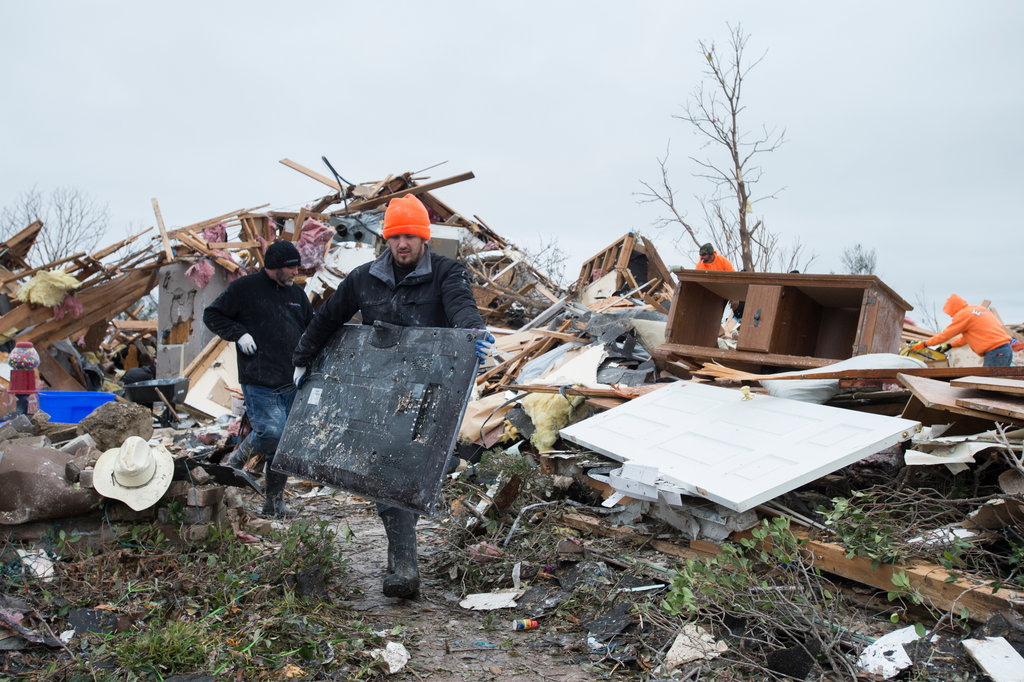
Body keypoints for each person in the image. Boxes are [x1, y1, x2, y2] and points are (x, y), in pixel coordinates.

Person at [292, 194, 492, 599]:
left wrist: (476, 335)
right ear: (387, 238)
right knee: (387, 472)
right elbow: (329, 318)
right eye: (396, 236)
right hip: (380, 393)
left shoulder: (447, 273)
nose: (403, 244)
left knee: (407, 471)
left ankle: (402, 557)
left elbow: (461, 310)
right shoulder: (363, 277)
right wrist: (302, 360)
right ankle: (403, 563)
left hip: (428, 393)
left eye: (410, 236)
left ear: (424, 238)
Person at [203, 240, 314, 518]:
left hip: (292, 379)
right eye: (291, 268)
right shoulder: (245, 288)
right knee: (271, 432)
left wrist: (306, 361)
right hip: (259, 379)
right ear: (275, 267)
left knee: (283, 445)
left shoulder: (297, 295)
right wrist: (239, 333)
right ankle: (235, 462)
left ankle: (273, 505)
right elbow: (212, 315)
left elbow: (312, 328)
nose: (295, 273)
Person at [911, 293, 1013, 367]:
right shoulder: (977, 309)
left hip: (995, 353)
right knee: (996, 383)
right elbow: (967, 338)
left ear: (953, 308)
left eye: (950, 313)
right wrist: (950, 345)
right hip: (1005, 350)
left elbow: (946, 335)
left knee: (990, 385)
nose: (951, 316)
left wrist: (924, 344)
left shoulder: (963, 315)